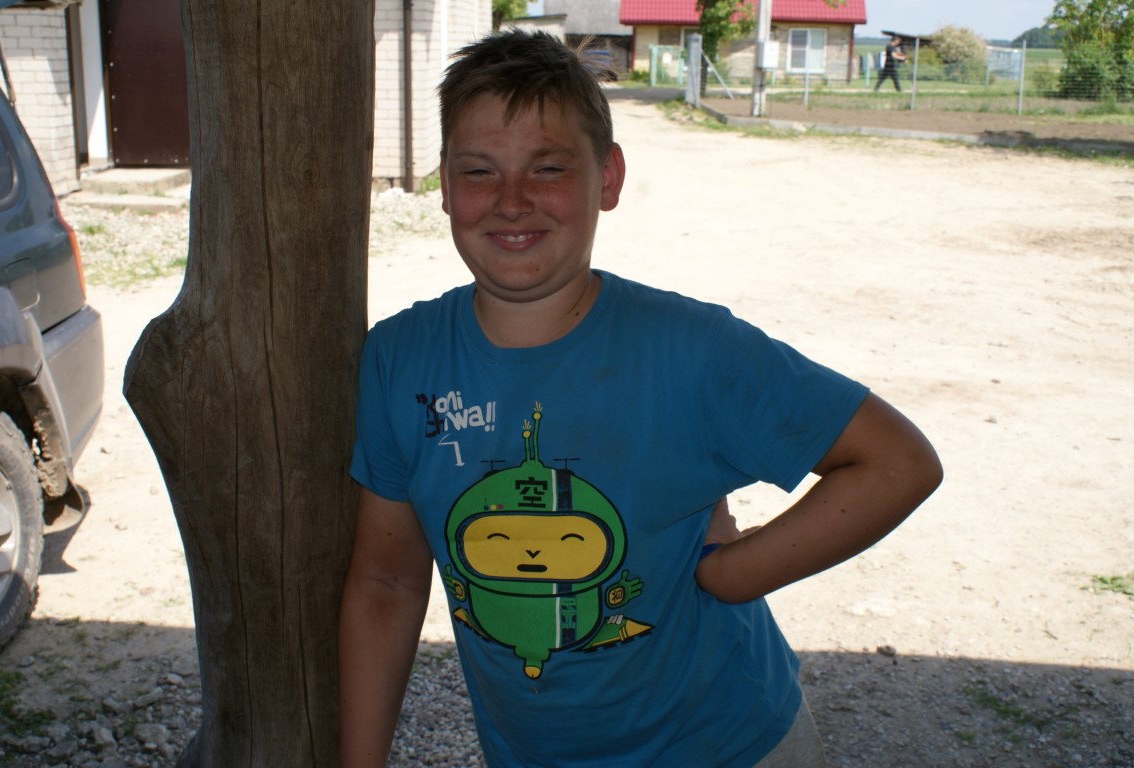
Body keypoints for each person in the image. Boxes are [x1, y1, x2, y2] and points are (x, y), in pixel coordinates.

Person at [339, 30, 942, 768]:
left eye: (548, 167)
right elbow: (387, 580)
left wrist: (736, 572)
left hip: (731, 747)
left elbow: (898, 463)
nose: (512, 200)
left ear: (608, 178)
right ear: (444, 184)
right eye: (479, 171)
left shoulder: (692, 348)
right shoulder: (399, 358)